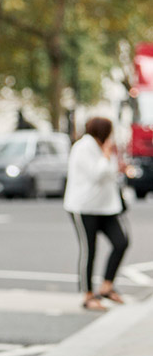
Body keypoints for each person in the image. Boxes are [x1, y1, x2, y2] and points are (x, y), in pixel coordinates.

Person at [63, 116, 129, 311]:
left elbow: (112, 173)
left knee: (121, 242)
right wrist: (107, 155)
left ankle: (107, 285)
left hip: (107, 207)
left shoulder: (103, 148)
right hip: (84, 208)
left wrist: (113, 161)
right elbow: (97, 174)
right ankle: (88, 295)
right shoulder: (83, 148)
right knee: (89, 250)